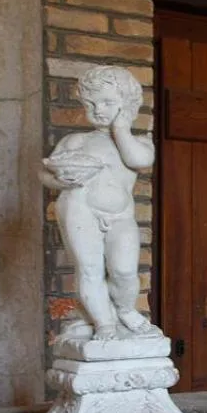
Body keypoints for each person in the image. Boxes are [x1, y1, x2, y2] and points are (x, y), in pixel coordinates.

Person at [40, 65, 159, 342]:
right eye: (91, 104)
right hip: (79, 209)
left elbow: (139, 161)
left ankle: (125, 310)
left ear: (127, 105)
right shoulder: (76, 141)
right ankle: (104, 322)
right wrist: (61, 182)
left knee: (125, 270)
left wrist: (121, 128)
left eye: (107, 102)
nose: (98, 110)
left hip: (120, 216)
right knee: (89, 268)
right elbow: (45, 171)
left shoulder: (138, 143)